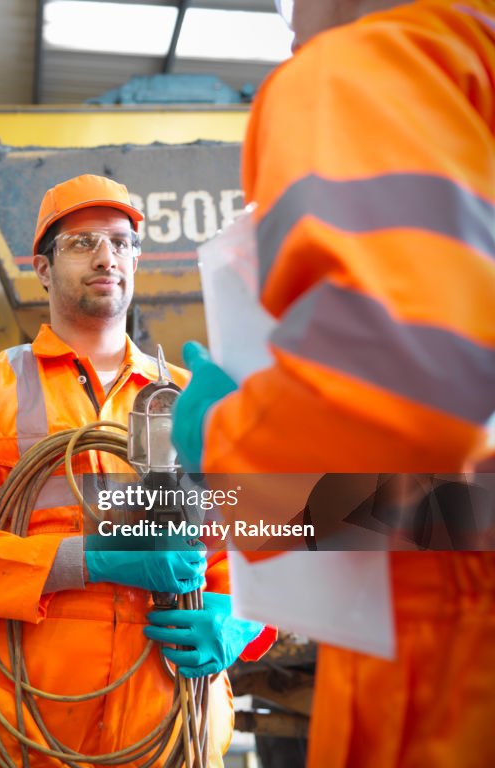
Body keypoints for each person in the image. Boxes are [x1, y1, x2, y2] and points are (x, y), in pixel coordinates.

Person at [171, 2, 495, 766]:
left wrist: (223, 438)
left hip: (451, 674)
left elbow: (413, 374)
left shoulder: (371, 66)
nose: (290, 16)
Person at [0, 174, 275, 766]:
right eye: (81, 242)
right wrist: (88, 559)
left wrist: (240, 620)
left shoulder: (187, 397)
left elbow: (255, 551)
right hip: (19, 732)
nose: (107, 257)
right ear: (43, 269)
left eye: (122, 242)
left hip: (167, 730)